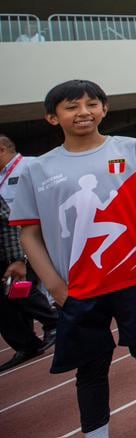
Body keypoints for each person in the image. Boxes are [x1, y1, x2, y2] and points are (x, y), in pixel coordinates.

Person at [11, 80, 136, 438]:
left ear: (104, 109)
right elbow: (29, 233)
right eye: (71, 107)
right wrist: (55, 285)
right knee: (90, 366)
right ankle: (96, 433)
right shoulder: (36, 170)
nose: (83, 112)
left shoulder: (131, 149)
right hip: (78, 287)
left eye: (91, 104)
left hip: (133, 275)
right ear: (52, 117)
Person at [0, 134, 59, 372]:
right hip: (19, 238)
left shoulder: (34, 165)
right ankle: (43, 330)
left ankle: (55, 323)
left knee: (26, 288)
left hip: (37, 236)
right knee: (18, 291)